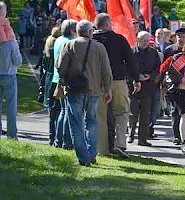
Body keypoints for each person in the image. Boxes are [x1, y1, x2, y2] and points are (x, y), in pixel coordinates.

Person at [57, 20, 112, 166]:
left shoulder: (69, 45)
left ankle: (83, 156)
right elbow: (106, 71)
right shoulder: (99, 47)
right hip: (94, 90)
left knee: (76, 123)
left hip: (75, 89)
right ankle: (92, 153)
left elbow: (61, 67)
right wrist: (108, 89)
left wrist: (64, 79)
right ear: (90, 32)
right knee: (92, 122)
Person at [93, 13, 140, 158]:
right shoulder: (119, 39)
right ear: (107, 24)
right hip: (118, 81)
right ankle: (119, 143)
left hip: (97, 83)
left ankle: (102, 146)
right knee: (122, 112)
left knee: (100, 115)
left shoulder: (91, 40)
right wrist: (136, 79)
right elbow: (130, 60)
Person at [128, 31, 161, 146]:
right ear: (138, 40)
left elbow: (158, 68)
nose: (146, 43)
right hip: (134, 87)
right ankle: (131, 134)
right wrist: (136, 77)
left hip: (148, 87)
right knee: (133, 112)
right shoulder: (131, 52)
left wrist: (150, 76)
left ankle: (142, 139)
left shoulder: (153, 53)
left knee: (145, 114)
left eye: (147, 41)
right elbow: (126, 67)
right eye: (143, 41)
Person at [51, 19, 77, 149]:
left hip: (57, 78)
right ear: (73, 30)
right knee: (67, 111)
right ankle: (65, 141)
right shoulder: (69, 42)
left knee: (63, 110)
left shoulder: (59, 40)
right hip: (65, 79)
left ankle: (58, 140)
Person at [0, 22, 22, 139]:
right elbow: (18, 61)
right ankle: (12, 135)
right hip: (9, 75)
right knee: (11, 107)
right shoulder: (11, 43)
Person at [42, 26, 61, 145]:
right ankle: (57, 137)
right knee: (58, 111)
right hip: (55, 80)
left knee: (51, 113)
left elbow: (43, 67)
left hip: (48, 80)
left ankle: (51, 137)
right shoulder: (57, 50)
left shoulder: (47, 50)